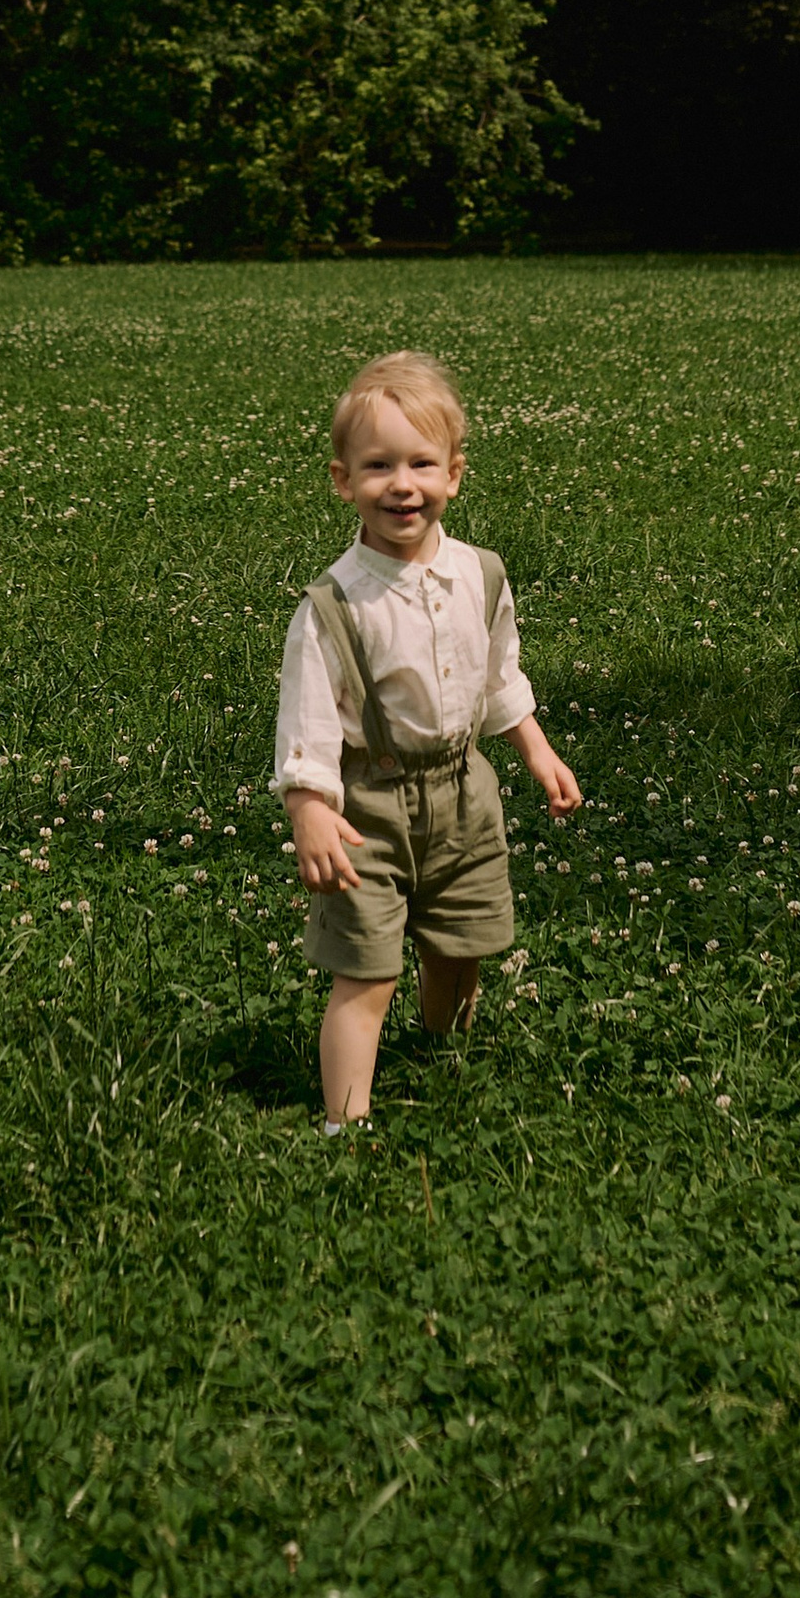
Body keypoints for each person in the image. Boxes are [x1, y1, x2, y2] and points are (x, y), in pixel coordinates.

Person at [275, 350, 583, 1131]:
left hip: (463, 790)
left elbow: (498, 675)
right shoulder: (333, 605)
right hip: (367, 808)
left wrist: (535, 750)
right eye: (378, 465)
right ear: (343, 480)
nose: (401, 484)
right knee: (366, 972)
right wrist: (310, 808)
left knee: (462, 940)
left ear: (454, 473)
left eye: (421, 463)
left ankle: (446, 1057)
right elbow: (308, 721)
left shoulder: (481, 574)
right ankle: (347, 1122)